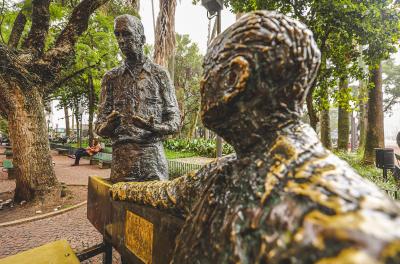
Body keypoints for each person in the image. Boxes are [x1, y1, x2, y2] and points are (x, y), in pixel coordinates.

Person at [110, 11, 400, 263]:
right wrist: (118, 189)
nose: (201, 82)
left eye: (207, 70)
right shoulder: (219, 174)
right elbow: (162, 192)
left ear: (236, 78)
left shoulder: (359, 226)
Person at [95, 14, 180, 182]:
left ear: (141, 38)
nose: (121, 40)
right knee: (120, 207)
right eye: (117, 35)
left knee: (154, 208)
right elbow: (98, 127)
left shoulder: (159, 74)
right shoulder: (110, 78)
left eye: (126, 34)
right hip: (122, 162)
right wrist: (108, 125)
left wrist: (154, 126)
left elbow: (175, 122)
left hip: (153, 159)